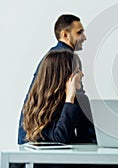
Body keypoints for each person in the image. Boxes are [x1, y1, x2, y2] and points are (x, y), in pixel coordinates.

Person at [18, 14, 94, 144]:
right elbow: (82, 112)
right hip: (42, 146)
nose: (84, 37)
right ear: (65, 35)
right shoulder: (64, 60)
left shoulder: (52, 57)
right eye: (79, 32)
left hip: (31, 141)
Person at [23, 50, 93, 143]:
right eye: (77, 71)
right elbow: (60, 138)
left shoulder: (81, 101)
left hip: (75, 157)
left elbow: (89, 139)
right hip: (51, 157)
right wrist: (69, 100)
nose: (82, 75)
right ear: (65, 77)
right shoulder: (42, 105)